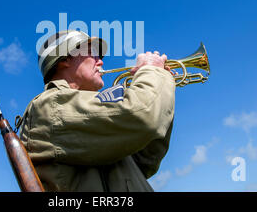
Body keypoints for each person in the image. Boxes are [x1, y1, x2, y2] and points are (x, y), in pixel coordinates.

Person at [19, 30, 175, 191]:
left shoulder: (83, 111)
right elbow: (143, 116)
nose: (100, 62)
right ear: (64, 59)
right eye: (93, 53)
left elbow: (146, 161)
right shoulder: (50, 106)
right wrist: (152, 72)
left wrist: (162, 89)